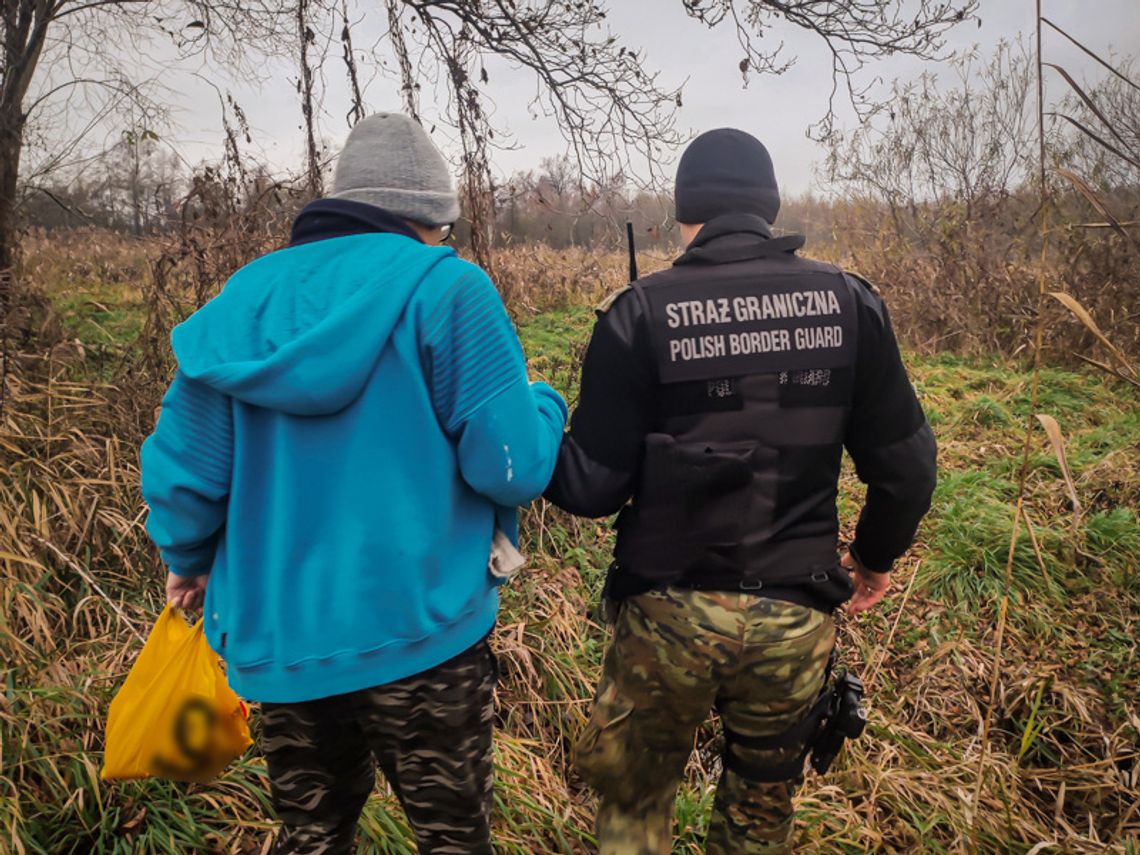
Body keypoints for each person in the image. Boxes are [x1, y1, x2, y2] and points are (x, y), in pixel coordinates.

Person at [141, 112, 567, 855]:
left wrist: (187, 560)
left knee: (313, 835)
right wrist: (545, 403)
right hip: (423, 638)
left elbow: (185, 475)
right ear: (432, 216)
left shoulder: (242, 303)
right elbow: (510, 465)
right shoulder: (449, 289)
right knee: (452, 840)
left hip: (285, 647)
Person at [545, 128, 937, 854]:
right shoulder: (850, 304)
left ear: (683, 213)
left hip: (666, 617)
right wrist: (874, 558)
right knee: (759, 816)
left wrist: (537, 430)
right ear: (770, 206)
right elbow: (908, 467)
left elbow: (592, 487)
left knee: (634, 806)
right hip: (797, 615)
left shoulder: (639, 311)